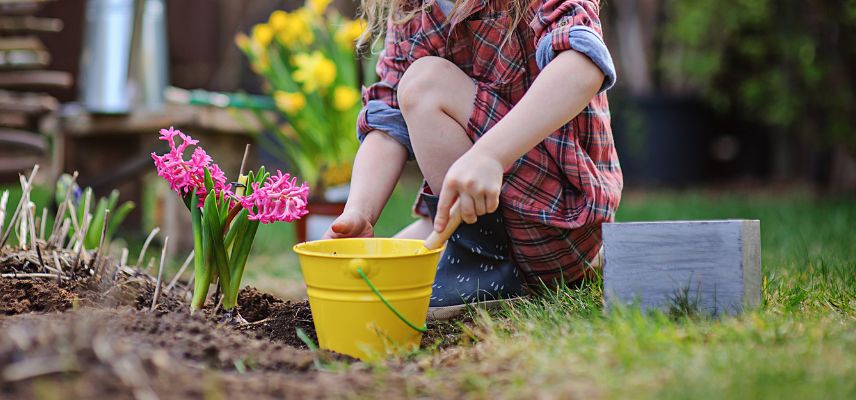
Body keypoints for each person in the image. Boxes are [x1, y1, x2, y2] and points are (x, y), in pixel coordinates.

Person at [323, 0, 623, 319]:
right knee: (365, 285)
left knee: (425, 84)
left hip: (555, 216)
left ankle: (485, 271)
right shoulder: (414, 9)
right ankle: (479, 256)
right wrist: (360, 210)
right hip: (482, 222)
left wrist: (490, 155)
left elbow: (582, 64)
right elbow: (387, 119)